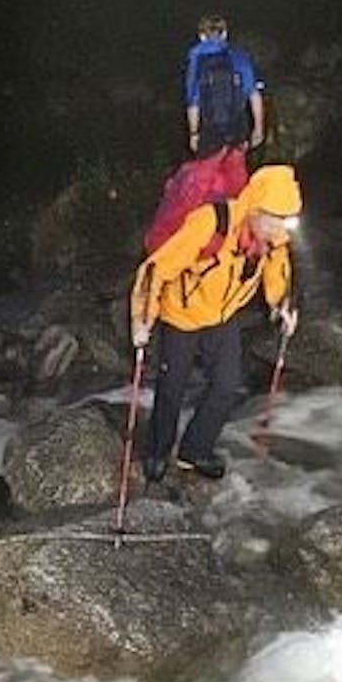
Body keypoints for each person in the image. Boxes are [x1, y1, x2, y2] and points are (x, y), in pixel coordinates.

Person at [129, 164, 302, 482]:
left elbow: (278, 272)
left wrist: (282, 306)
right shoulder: (211, 222)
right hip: (181, 315)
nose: (282, 232)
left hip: (222, 316)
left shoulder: (272, 238)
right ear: (256, 208)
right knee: (172, 388)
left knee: (226, 385)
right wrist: (143, 319)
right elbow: (158, 268)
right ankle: (156, 452)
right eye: (276, 220)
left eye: (287, 221)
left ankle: (194, 450)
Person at [184, 14, 266, 158]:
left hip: (209, 132)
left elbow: (193, 104)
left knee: (209, 177)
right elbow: (254, 96)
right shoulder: (239, 57)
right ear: (225, 34)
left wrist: (193, 134)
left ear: (201, 36)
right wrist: (258, 128)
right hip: (237, 129)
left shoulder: (196, 61)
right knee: (235, 175)